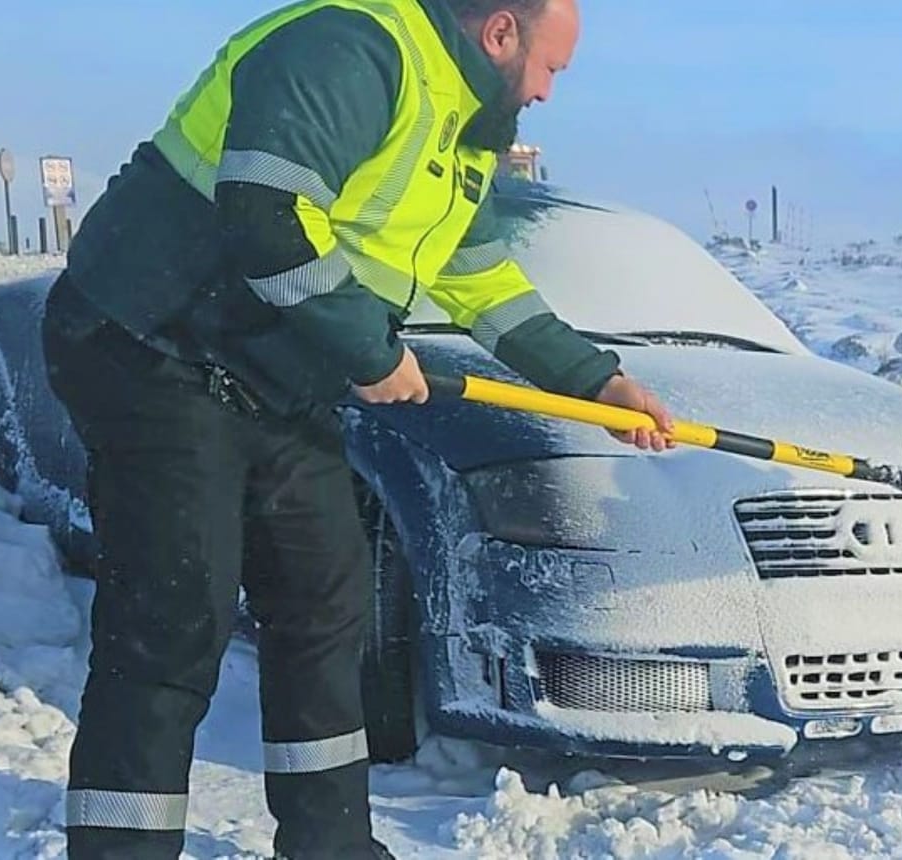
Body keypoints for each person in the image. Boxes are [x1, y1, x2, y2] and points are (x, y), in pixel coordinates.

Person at [40, 0, 674, 856]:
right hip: (155, 346)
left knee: (322, 605)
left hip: (274, 376)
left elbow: (479, 278)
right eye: (550, 68)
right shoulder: (351, 49)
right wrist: (369, 352)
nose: (547, 93)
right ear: (500, 33)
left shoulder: (461, 131)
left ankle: (328, 846)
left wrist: (597, 381)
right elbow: (267, 211)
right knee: (173, 617)